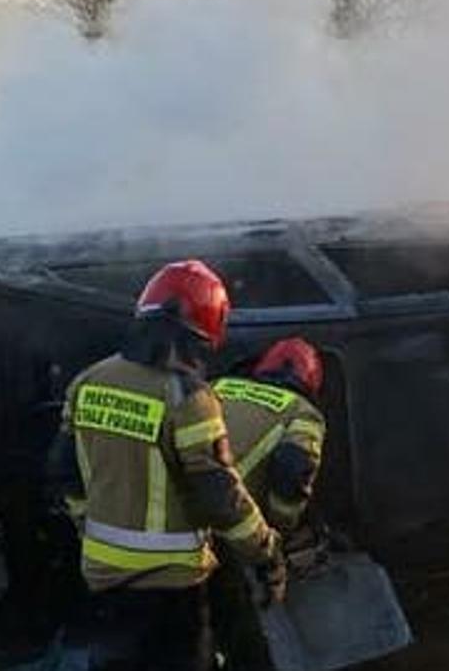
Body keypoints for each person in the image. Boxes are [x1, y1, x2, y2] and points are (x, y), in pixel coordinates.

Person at [60, 260, 285, 671]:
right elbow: (219, 494)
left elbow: (63, 475)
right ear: (197, 339)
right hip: (172, 591)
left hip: (105, 583)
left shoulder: (87, 382)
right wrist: (264, 550)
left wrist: (88, 528)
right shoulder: (188, 398)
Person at [206, 337, 330, 670]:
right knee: (237, 634)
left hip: (163, 518)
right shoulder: (305, 414)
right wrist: (279, 531)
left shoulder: (218, 386)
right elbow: (292, 475)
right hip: (221, 531)